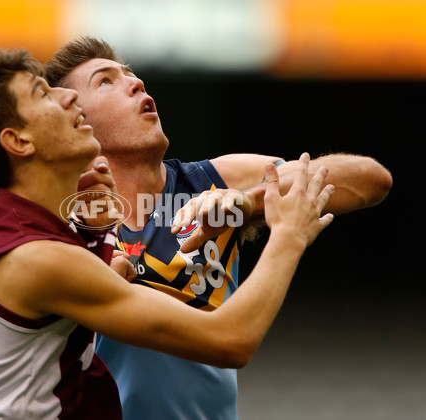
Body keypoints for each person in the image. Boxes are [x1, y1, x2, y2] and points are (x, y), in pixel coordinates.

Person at [0, 48, 336, 420]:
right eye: (44, 95)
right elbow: (231, 340)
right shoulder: (38, 259)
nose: (67, 98)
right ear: (19, 140)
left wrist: (105, 255)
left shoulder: (9, 218)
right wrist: (288, 233)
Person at [44, 36, 393, 419]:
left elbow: (371, 180)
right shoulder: (61, 226)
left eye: (132, 75)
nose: (136, 83)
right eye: (105, 81)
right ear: (75, 121)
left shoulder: (213, 181)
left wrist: (249, 202)